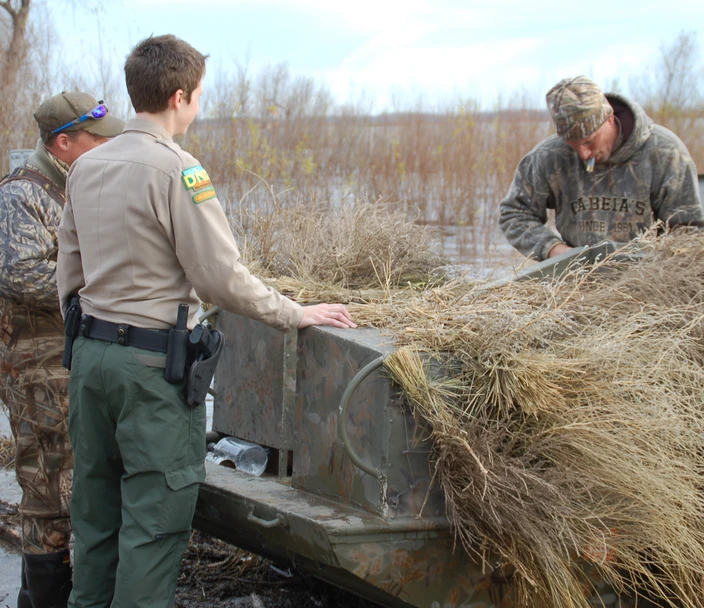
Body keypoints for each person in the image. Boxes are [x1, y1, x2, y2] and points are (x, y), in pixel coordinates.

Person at [57, 34, 356, 608]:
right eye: (198, 96)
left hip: (89, 359)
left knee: (95, 518)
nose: (199, 106)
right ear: (178, 97)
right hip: (150, 369)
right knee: (154, 523)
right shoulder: (177, 169)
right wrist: (294, 312)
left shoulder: (85, 168)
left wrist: (87, 334)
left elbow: (67, 274)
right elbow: (220, 276)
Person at [0, 92, 124, 608]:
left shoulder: (75, 186)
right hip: (35, 365)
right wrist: (101, 285)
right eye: (95, 139)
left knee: (70, 477)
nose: (104, 147)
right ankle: (43, 599)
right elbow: (20, 273)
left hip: (67, 358)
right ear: (63, 141)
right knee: (47, 484)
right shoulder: (22, 194)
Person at [499, 75, 704, 260]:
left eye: (589, 142)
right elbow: (514, 213)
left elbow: (689, 232)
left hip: (648, 281)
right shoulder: (550, 156)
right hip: (577, 284)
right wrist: (553, 249)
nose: (583, 154)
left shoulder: (666, 153)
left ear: (609, 118)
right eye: (573, 145)